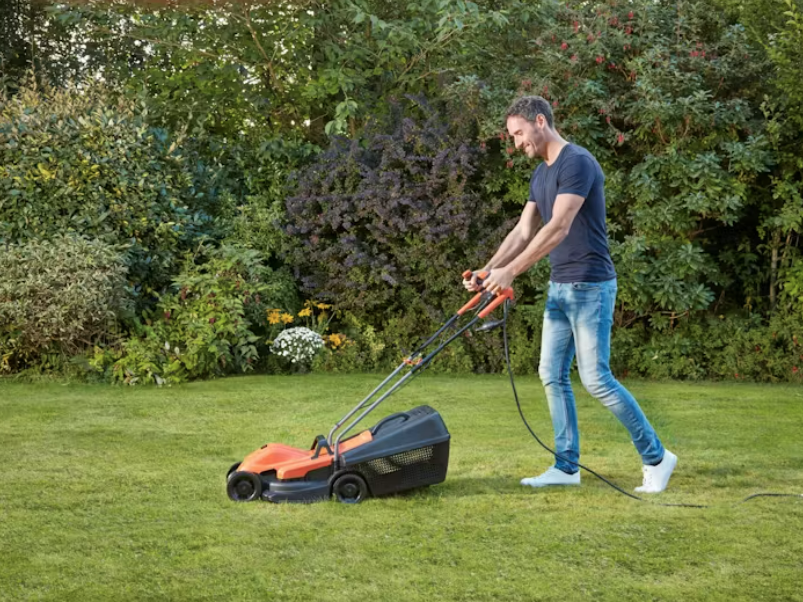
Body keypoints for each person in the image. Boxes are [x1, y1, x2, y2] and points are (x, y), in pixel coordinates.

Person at [465, 96, 677, 493]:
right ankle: (566, 468)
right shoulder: (540, 175)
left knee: (596, 379)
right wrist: (489, 268)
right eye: (512, 136)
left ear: (540, 121)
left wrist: (512, 271)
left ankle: (657, 457)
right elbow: (523, 231)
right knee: (551, 374)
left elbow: (558, 227)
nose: (516, 143)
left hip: (591, 285)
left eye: (518, 133)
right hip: (560, 288)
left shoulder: (576, 162)